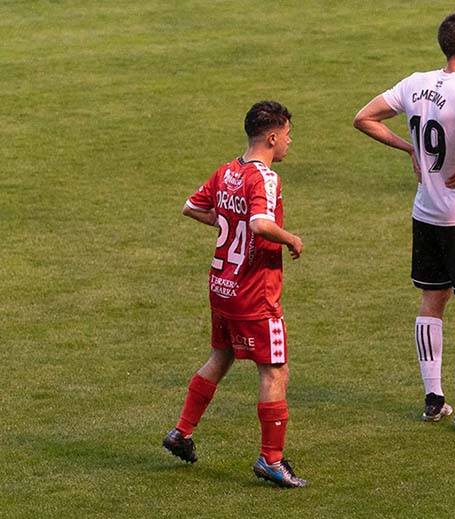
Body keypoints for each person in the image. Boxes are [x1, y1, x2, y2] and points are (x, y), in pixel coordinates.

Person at [354, 13, 455, 433]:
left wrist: (409, 148)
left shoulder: (414, 83)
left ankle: (433, 400)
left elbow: (364, 118)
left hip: (425, 209)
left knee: (433, 300)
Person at [162, 101, 308, 488]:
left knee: (221, 356)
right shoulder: (264, 178)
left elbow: (191, 207)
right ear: (272, 137)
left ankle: (181, 432)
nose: (290, 142)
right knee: (275, 370)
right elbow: (260, 224)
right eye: (288, 135)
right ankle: (271, 460)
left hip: (221, 287)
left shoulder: (227, 171)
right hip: (254, 292)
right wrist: (290, 237)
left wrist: (227, 221)